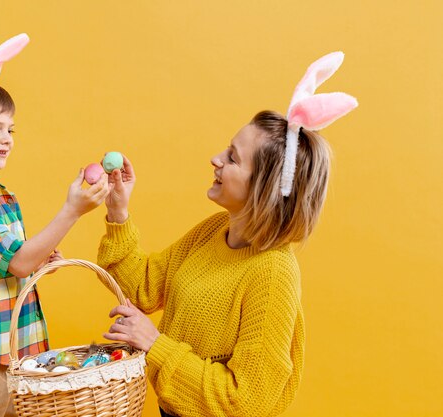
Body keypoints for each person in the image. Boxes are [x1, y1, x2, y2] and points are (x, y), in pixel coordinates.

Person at [98, 52, 358, 417]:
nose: (215, 159)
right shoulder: (213, 231)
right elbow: (143, 288)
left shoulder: (272, 276)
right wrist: (118, 211)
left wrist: (155, 344)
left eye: (233, 158)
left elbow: (245, 402)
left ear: (262, 188)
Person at [0, 18, 108, 417]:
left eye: (10, 129)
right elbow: (17, 260)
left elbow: (15, 263)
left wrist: (39, 258)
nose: (7, 138)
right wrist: (72, 211)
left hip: (18, 360)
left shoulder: (0, 195)